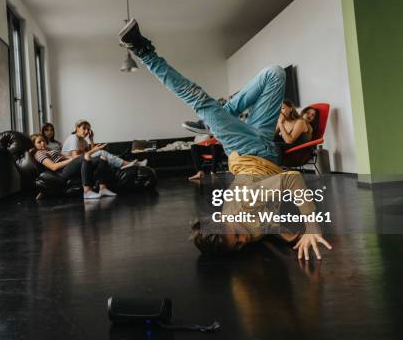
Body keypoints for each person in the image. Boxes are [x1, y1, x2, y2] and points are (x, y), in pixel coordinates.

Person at [119, 18, 332, 260]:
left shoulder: (245, 203)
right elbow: (266, 222)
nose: (245, 239)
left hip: (246, 150)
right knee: (274, 74)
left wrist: (312, 228)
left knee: (199, 100)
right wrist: (288, 234)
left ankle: (143, 51)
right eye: (240, 243)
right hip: (264, 144)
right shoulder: (237, 230)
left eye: (238, 234)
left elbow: (292, 179)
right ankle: (217, 119)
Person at [31, 133, 117, 200]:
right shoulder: (39, 153)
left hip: (68, 166)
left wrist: (73, 158)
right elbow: (54, 167)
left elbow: (65, 157)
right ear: (34, 145)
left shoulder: (49, 150)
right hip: (61, 172)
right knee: (84, 156)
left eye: (43, 140)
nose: (42, 143)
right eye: (39, 142)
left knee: (102, 158)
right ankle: (87, 191)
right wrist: (74, 159)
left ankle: (103, 188)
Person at [62, 119, 147, 169]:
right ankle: (127, 164)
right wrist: (94, 151)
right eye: (84, 128)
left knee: (103, 155)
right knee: (101, 153)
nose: (86, 131)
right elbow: (75, 157)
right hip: (70, 164)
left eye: (88, 130)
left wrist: (91, 139)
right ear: (77, 128)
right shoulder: (74, 138)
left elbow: (91, 152)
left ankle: (127, 162)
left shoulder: (83, 140)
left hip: (82, 161)